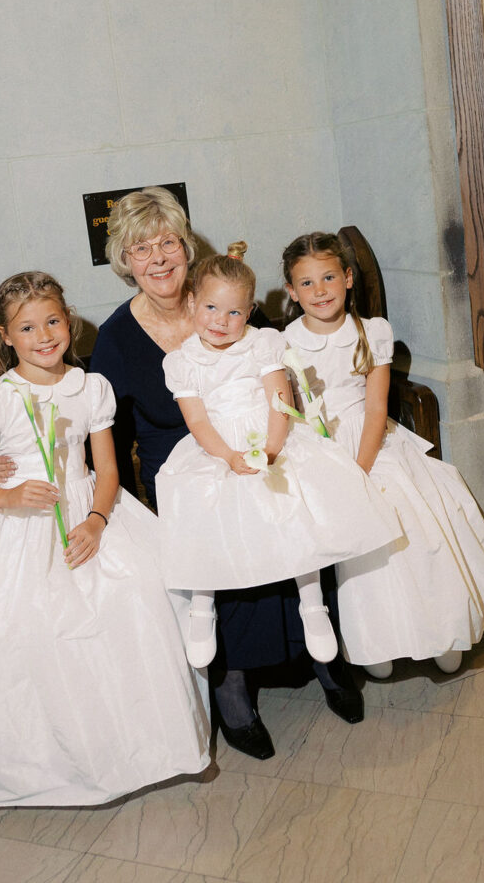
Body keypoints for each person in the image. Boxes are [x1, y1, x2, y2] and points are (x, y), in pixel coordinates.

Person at [87, 187, 367, 761]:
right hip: (181, 460)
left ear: (187, 249)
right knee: (221, 526)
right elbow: (102, 434)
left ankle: (323, 654)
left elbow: (279, 370)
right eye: (142, 249)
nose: (159, 258)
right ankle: (232, 681)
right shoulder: (116, 338)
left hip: (260, 440)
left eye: (168, 242)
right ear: (125, 261)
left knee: (296, 499)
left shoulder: (226, 297)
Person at [0, 271, 209, 807]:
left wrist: (98, 520)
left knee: (143, 595)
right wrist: (3, 496)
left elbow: (106, 469)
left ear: (70, 322)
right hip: (18, 530)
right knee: (28, 631)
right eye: (27, 327)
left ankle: (135, 748)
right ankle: (48, 764)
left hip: (90, 513)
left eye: (53, 320)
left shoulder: (90, 387)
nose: (44, 335)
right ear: (6, 337)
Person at [155, 243, 402, 671]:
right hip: (216, 444)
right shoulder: (182, 362)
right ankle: (202, 605)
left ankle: (312, 603)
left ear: (250, 311)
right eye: (211, 308)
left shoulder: (262, 344)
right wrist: (230, 457)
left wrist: (271, 449)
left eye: (234, 312)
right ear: (192, 302)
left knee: (294, 501)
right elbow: (197, 421)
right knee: (200, 505)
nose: (221, 321)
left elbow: (280, 400)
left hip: (271, 433)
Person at [281, 232, 484, 678]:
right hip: (316, 447)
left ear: (348, 278)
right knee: (361, 548)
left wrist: (360, 469)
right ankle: (380, 639)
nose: (320, 290)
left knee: (413, 521)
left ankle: (442, 631)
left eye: (329, 277)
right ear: (292, 291)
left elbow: (374, 409)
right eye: (306, 283)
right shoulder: (284, 343)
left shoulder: (372, 332)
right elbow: (290, 409)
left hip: (371, 442)